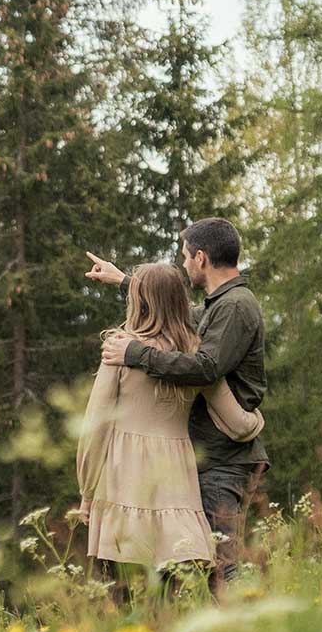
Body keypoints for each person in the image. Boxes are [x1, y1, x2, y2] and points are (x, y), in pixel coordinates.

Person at [84, 216, 267, 592]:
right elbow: (175, 312)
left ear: (201, 258)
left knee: (222, 566)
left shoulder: (234, 306)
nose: (183, 265)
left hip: (225, 457)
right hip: (208, 454)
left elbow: (205, 367)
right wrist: (125, 281)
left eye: (185, 256)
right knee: (191, 571)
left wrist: (135, 352)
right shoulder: (219, 305)